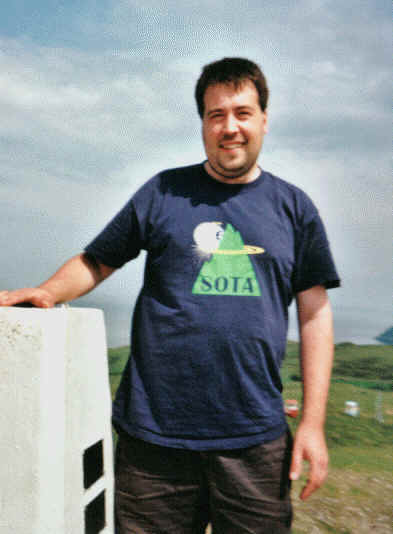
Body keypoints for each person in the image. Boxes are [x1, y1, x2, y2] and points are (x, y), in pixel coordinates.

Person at [0, 57, 340, 533]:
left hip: (254, 441)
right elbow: (98, 260)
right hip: (154, 443)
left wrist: (312, 425)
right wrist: (47, 291)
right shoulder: (163, 192)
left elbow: (315, 314)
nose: (230, 127)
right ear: (202, 123)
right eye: (215, 115)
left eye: (242, 113)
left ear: (264, 118)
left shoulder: (294, 207)